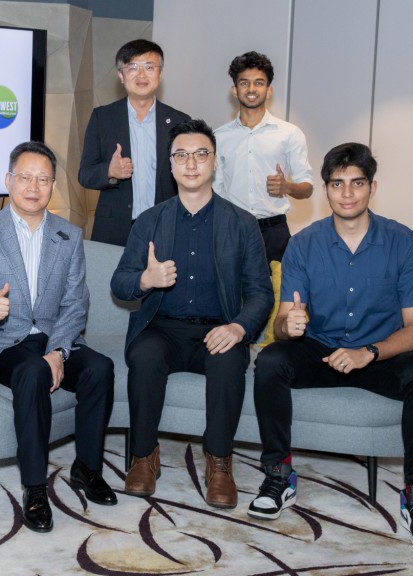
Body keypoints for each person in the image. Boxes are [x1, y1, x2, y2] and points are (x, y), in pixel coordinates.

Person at [250, 142, 413, 553]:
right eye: (337, 184)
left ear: (372, 188)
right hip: (321, 350)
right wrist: (289, 324)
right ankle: (278, 475)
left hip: (380, 355)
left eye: (357, 183)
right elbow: (285, 325)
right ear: (325, 189)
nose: (347, 193)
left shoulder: (404, 243)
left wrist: (369, 353)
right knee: (270, 361)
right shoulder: (303, 244)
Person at [0, 141, 116, 534]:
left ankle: (87, 468)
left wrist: (59, 350)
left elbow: (76, 303)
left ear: (53, 186)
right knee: (32, 373)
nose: (33, 186)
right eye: (25, 177)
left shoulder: (68, 235)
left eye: (43, 179)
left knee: (100, 369)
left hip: (54, 337)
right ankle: (35, 487)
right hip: (2, 343)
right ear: (8, 181)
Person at [111, 119, 273, 509]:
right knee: (145, 358)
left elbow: (260, 293)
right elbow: (120, 283)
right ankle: (143, 455)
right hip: (161, 328)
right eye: (181, 155)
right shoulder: (150, 221)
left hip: (218, 328)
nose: (191, 164)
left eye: (201, 155)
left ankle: (219, 462)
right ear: (171, 165)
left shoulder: (242, 224)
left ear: (214, 163)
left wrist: (238, 327)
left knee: (227, 364)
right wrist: (146, 280)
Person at [213, 51, 313, 346]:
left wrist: (287, 187)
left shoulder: (289, 133)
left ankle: (270, 354)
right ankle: (233, 349)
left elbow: (307, 187)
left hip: (274, 229)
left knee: (283, 296)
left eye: (259, 83)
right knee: (231, 293)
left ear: (269, 89)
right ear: (235, 90)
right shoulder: (218, 137)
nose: (251, 89)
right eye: (244, 83)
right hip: (233, 229)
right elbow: (214, 190)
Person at [78, 39, 191, 247]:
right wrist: (109, 172)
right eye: (133, 68)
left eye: (149, 67)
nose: (141, 75)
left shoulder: (180, 122)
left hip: (166, 227)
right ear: (121, 75)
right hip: (115, 229)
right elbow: (85, 174)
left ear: (160, 73)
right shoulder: (102, 118)